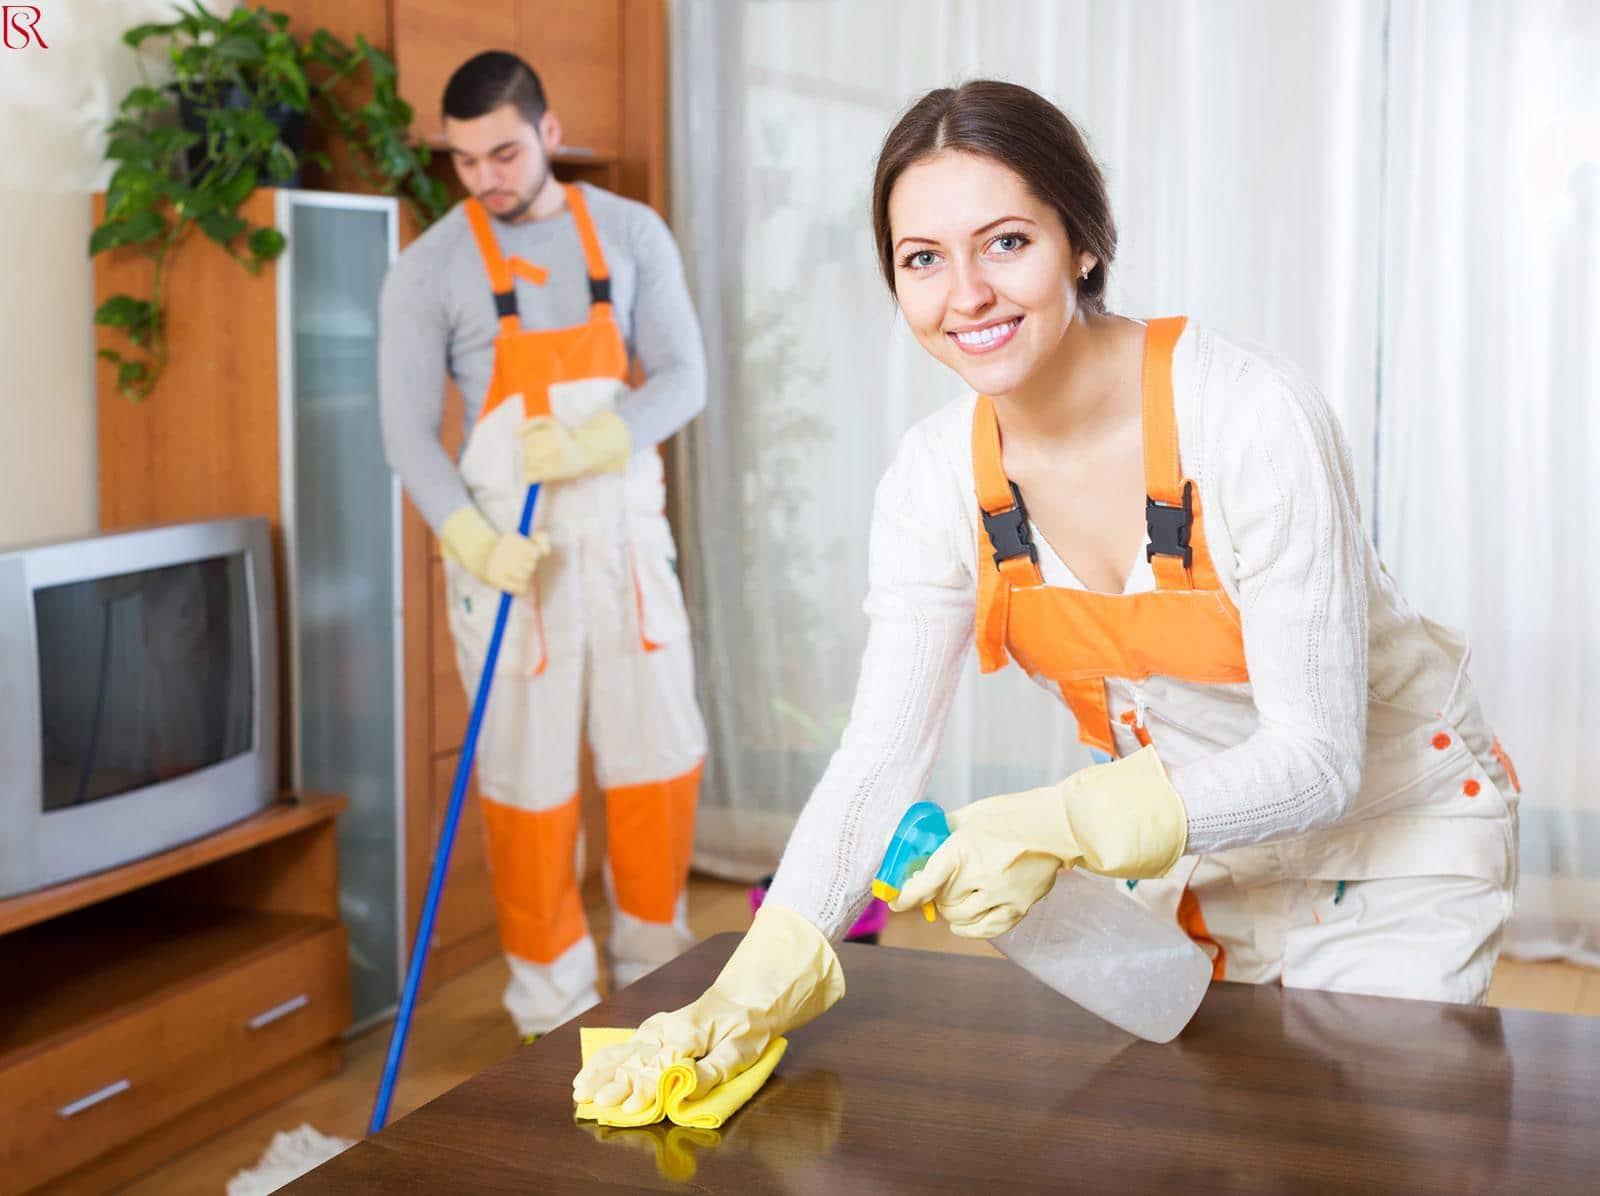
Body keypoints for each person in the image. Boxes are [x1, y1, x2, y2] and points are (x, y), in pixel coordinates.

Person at [572, 79, 1520, 1112]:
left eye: (1006, 243)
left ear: (1084, 243)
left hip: (1394, 844)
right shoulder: (935, 479)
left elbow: (1319, 760)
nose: (966, 294)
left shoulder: (1249, 419)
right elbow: (877, 762)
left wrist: (1057, 822)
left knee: (1362, 1147)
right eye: (922, 259)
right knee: (1219, 1147)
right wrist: (755, 983)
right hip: (1196, 865)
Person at [379, 51, 708, 1040]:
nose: (485, 177)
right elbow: (406, 436)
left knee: (658, 762)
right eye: (464, 160)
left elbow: (684, 378)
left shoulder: (631, 233)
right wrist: (473, 541)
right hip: (512, 563)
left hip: (623, 546)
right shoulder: (428, 268)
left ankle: (658, 978)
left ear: (549, 133)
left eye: (505, 153)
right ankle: (554, 1011)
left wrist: (601, 439)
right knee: (529, 788)